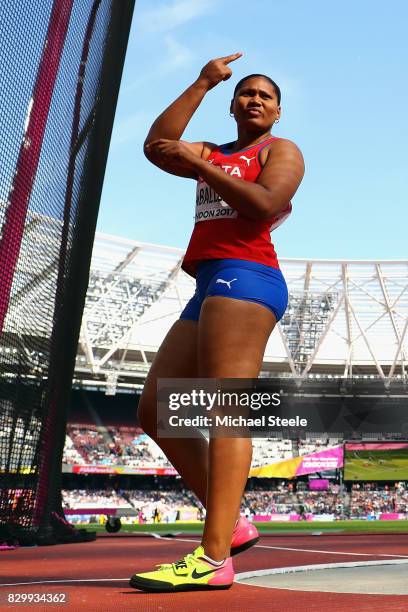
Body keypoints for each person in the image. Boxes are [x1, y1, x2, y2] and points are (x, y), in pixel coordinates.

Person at [129, 53, 304, 592]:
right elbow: (158, 145)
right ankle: (232, 524)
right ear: (232, 104)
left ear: (276, 113)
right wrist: (203, 82)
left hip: (249, 275)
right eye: (245, 93)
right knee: (155, 409)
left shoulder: (281, 150)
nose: (253, 100)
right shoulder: (213, 149)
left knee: (226, 408)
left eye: (264, 96)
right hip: (209, 280)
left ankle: (212, 556)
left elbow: (264, 202)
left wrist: (203, 166)